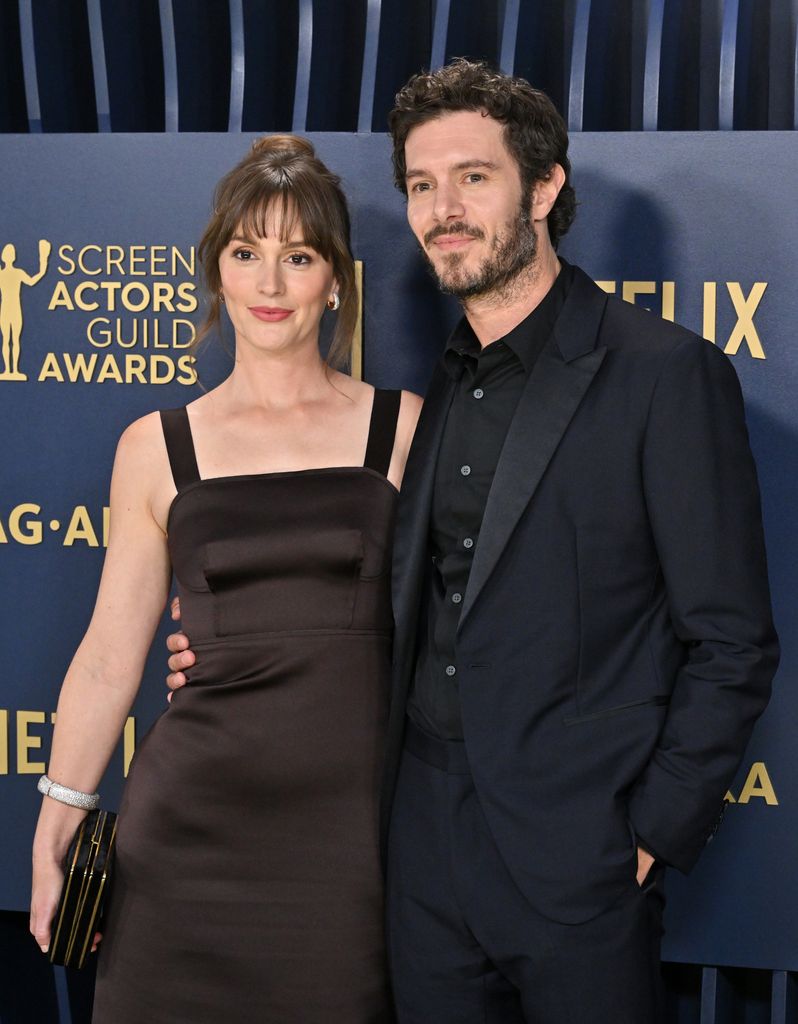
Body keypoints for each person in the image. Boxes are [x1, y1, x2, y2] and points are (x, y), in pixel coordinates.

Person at [166, 63, 778, 1022]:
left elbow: (733, 637)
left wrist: (653, 829)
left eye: (474, 177)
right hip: (417, 855)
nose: (443, 208)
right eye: (420, 184)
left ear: (544, 187)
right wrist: (241, 639)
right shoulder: (436, 387)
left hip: (580, 857)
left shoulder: (663, 375)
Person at [31, 134, 420, 1023]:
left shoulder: (402, 431)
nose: (271, 285)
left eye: (298, 256)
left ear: (336, 280)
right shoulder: (155, 446)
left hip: (352, 845)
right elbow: (107, 656)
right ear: (217, 271)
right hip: (187, 834)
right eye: (246, 254)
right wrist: (58, 820)